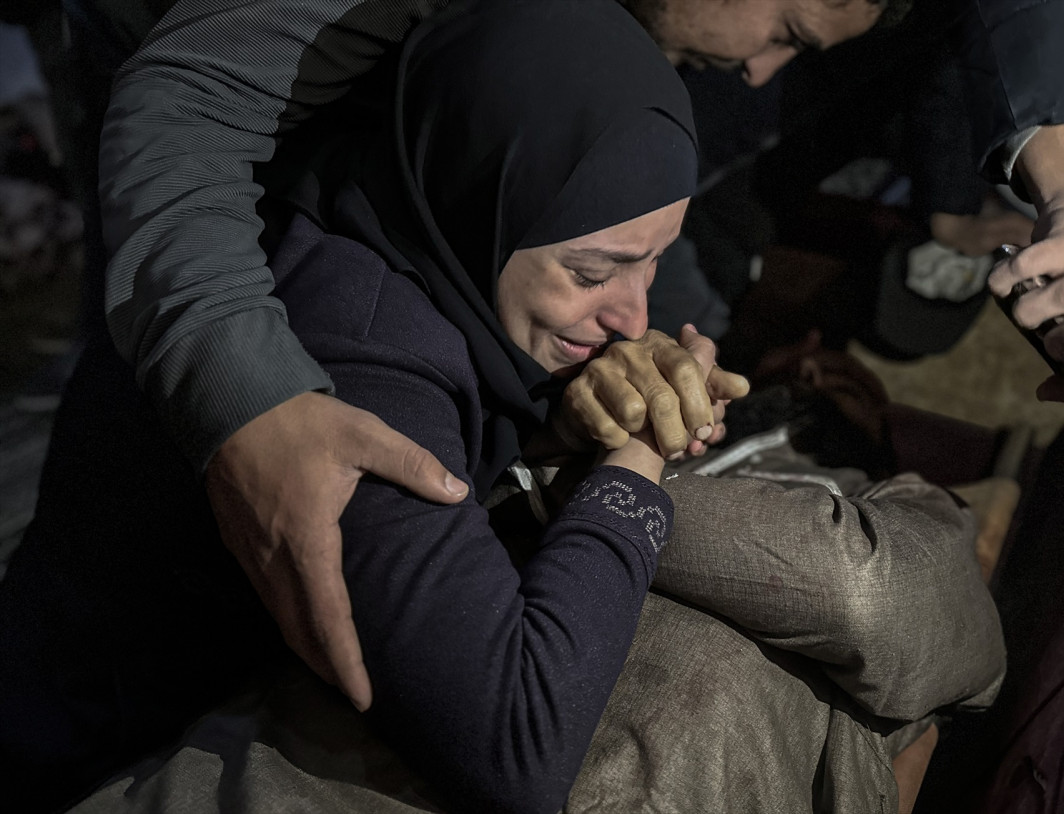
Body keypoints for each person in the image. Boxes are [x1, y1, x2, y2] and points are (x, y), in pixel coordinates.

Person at [1, 5, 1008, 814]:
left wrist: (560, 414)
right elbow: (517, 744)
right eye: (589, 270)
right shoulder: (362, 363)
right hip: (84, 729)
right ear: (488, 195)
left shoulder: (418, 238)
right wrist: (632, 464)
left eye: (651, 264)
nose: (632, 317)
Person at [90, 0, 1064, 713]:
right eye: (788, 37)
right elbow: (189, 102)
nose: (762, 79)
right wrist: (243, 398)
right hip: (222, 111)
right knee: (185, 472)